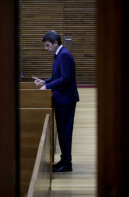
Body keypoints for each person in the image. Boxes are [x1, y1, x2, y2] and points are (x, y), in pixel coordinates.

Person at [34, 30, 79, 172]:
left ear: (55, 43)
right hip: (62, 99)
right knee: (62, 131)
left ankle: (67, 163)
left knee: (65, 132)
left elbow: (65, 79)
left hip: (66, 100)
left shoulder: (64, 55)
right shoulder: (59, 54)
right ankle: (64, 160)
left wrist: (47, 86)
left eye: (47, 46)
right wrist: (44, 81)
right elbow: (57, 76)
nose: (45, 49)